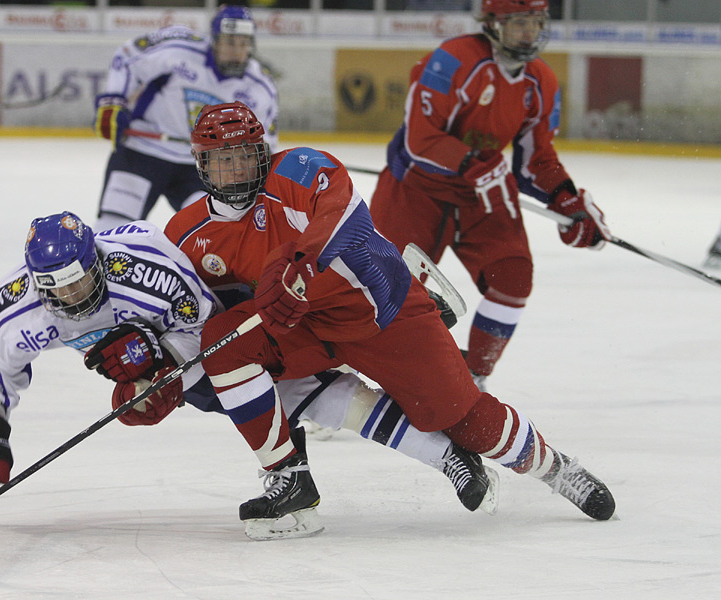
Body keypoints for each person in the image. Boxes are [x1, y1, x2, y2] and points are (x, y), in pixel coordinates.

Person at [164, 101, 615, 540]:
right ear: (202, 165)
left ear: (263, 152)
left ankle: (557, 469)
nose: (238, 171)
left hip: (383, 310)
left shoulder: (299, 168)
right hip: (305, 327)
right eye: (223, 162)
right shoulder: (185, 234)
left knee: (466, 420)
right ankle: (288, 477)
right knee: (221, 344)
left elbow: (345, 214)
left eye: (245, 156)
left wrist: (300, 263)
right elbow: (179, 306)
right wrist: (156, 371)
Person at [0, 211, 498, 536]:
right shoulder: (17, 308)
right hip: (189, 337)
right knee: (254, 398)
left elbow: (209, 335)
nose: (72, 299)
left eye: (80, 283)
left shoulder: (144, 272)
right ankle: (308, 470)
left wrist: (154, 355)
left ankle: (393, 290)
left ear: (97, 261)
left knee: (282, 386)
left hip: (228, 298)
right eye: (58, 291)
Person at [367, 0, 611, 391]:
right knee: (372, 291)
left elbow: (536, 160)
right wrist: (471, 164)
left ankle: (472, 379)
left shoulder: (541, 81)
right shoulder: (453, 61)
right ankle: (335, 380)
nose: (529, 32)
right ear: (493, 24)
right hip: (415, 190)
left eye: (535, 22)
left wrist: (567, 200)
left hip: (484, 193)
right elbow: (419, 138)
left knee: (513, 276)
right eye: (518, 23)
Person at [92, 4, 278, 232]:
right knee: (113, 227)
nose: (237, 51)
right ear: (215, 41)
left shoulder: (260, 87)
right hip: (143, 152)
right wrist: (113, 101)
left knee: (215, 235)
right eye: (230, 42)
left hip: (203, 169)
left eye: (243, 43)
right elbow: (128, 56)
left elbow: (265, 146)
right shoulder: (179, 50)